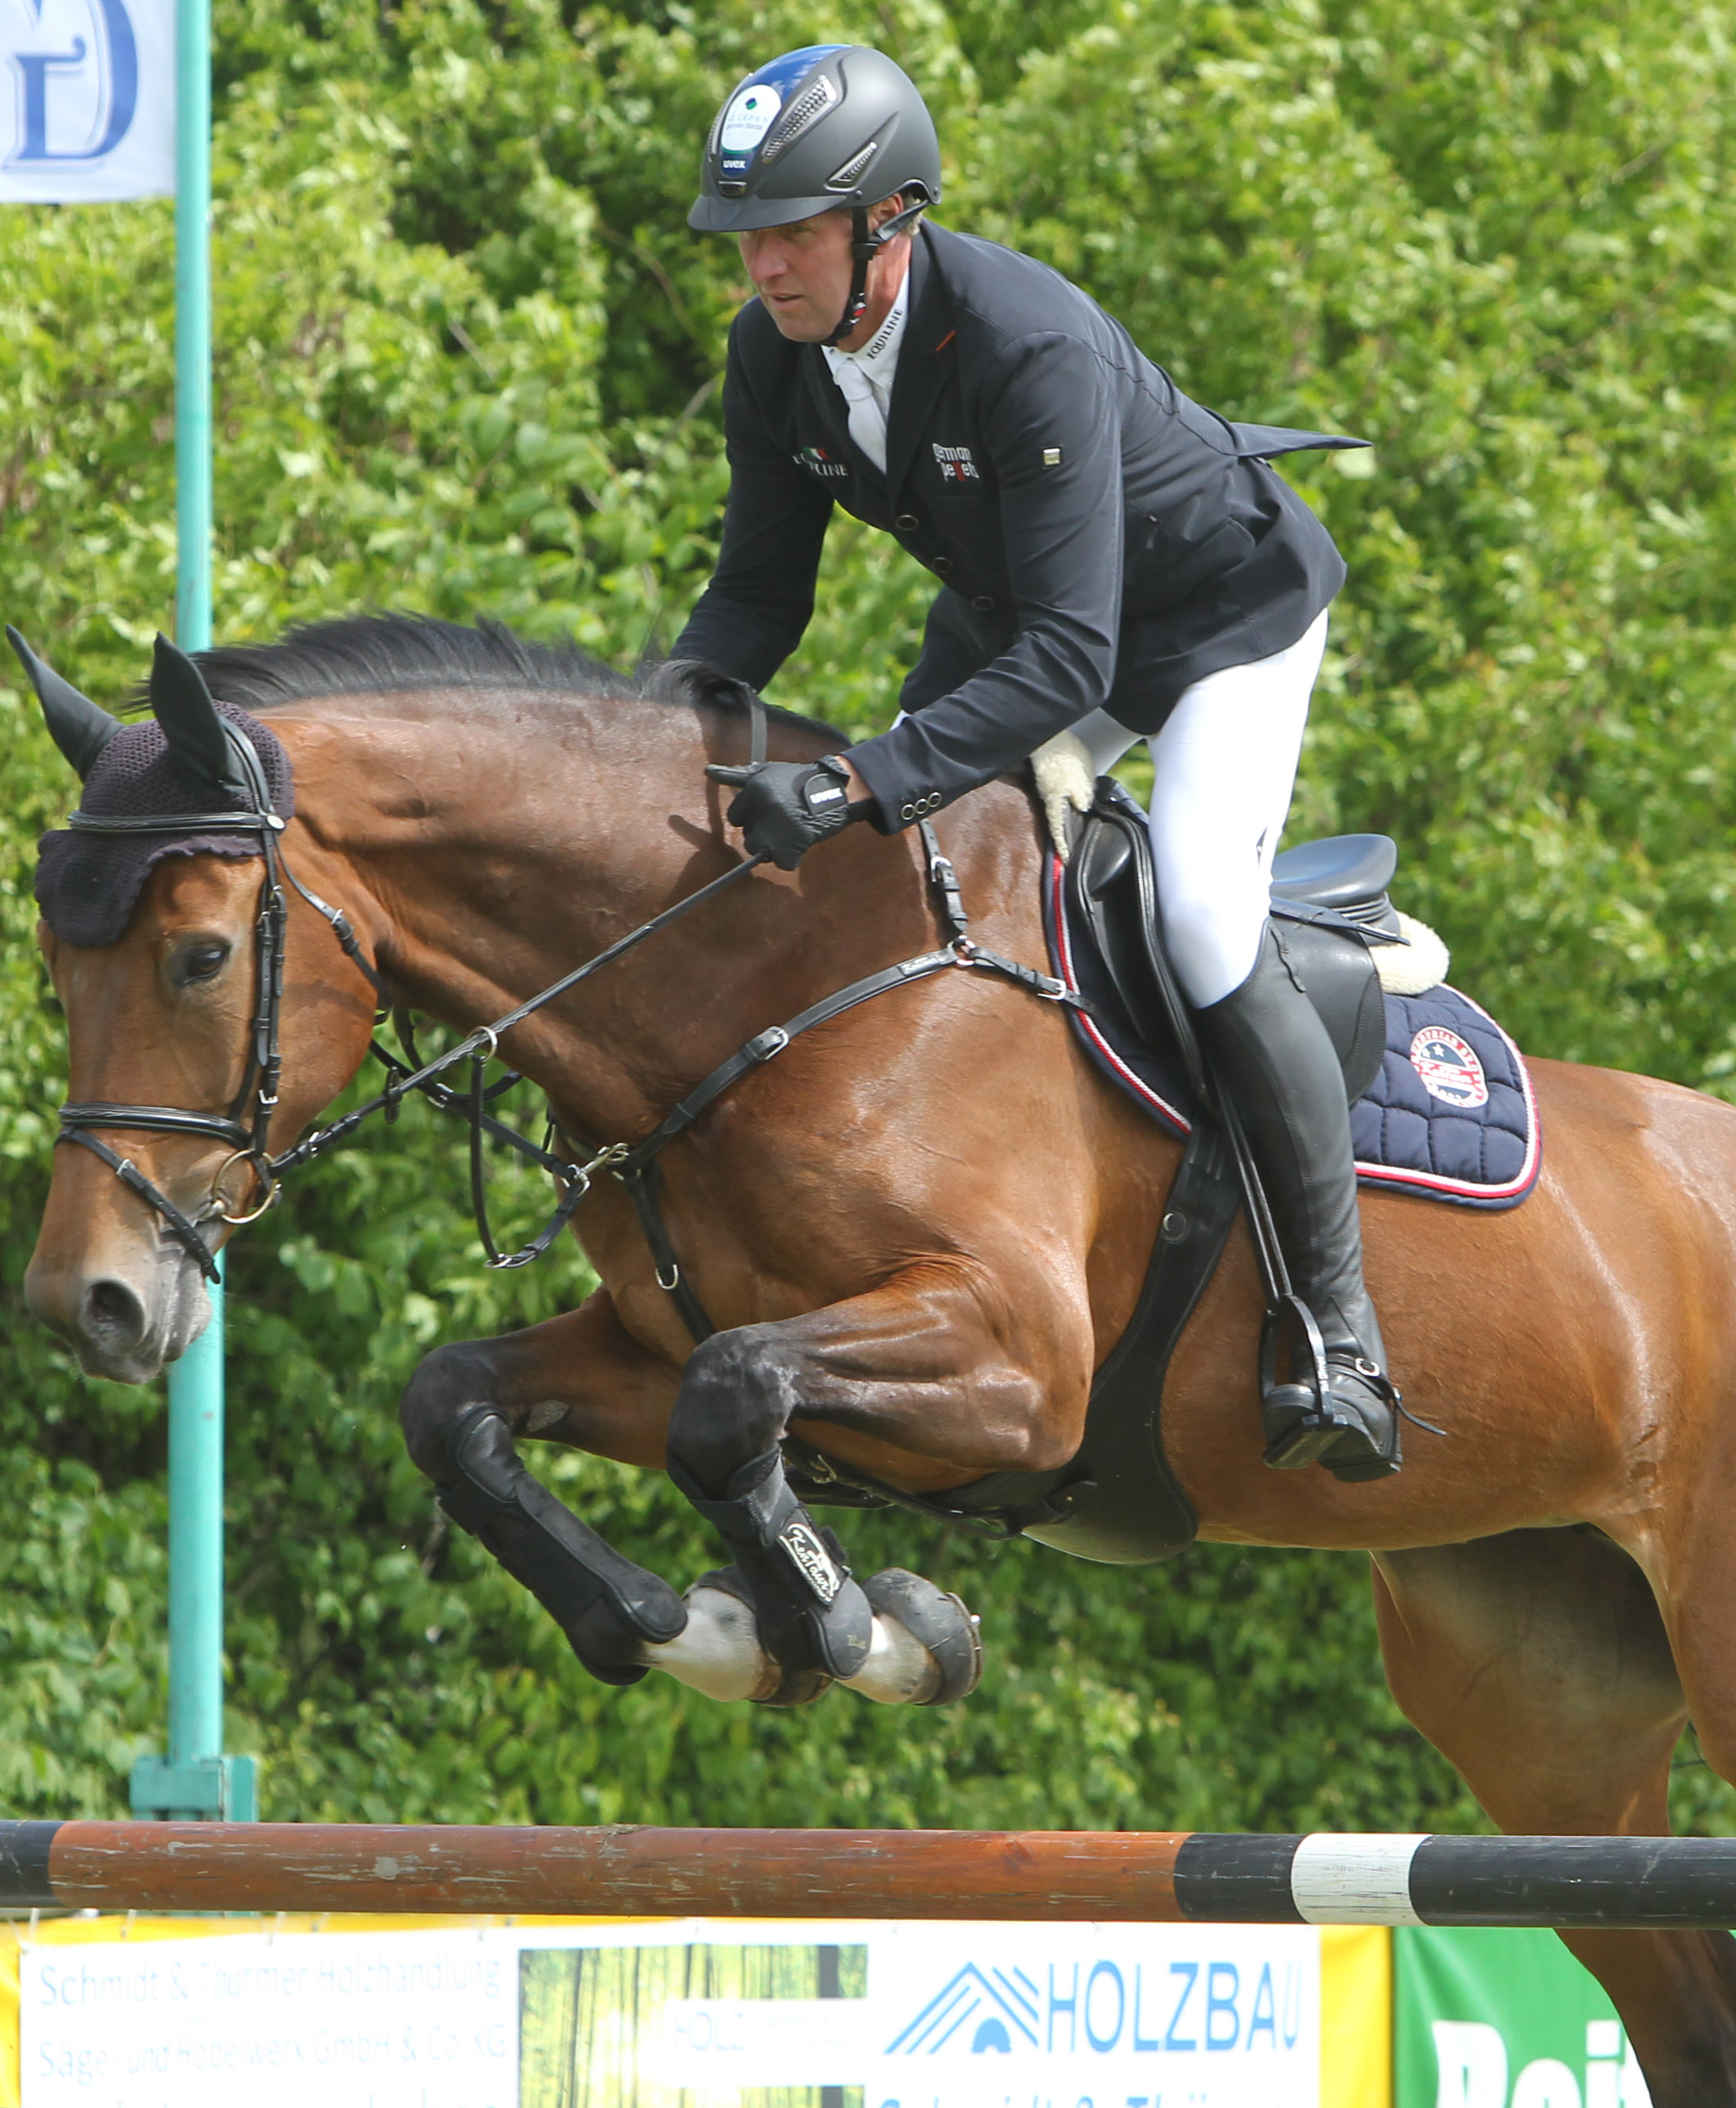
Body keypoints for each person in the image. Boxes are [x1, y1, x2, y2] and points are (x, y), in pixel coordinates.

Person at [674, 44, 1399, 1481]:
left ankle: (1340, 1331)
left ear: (892, 219)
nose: (762, 265)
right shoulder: (778, 358)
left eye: (794, 229)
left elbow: (1078, 666)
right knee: (904, 872)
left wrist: (857, 776)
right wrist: (649, 726)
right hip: (1039, 620)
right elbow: (760, 598)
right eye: (747, 236)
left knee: (1198, 909)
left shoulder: (1023, 342)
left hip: (1215, 629)